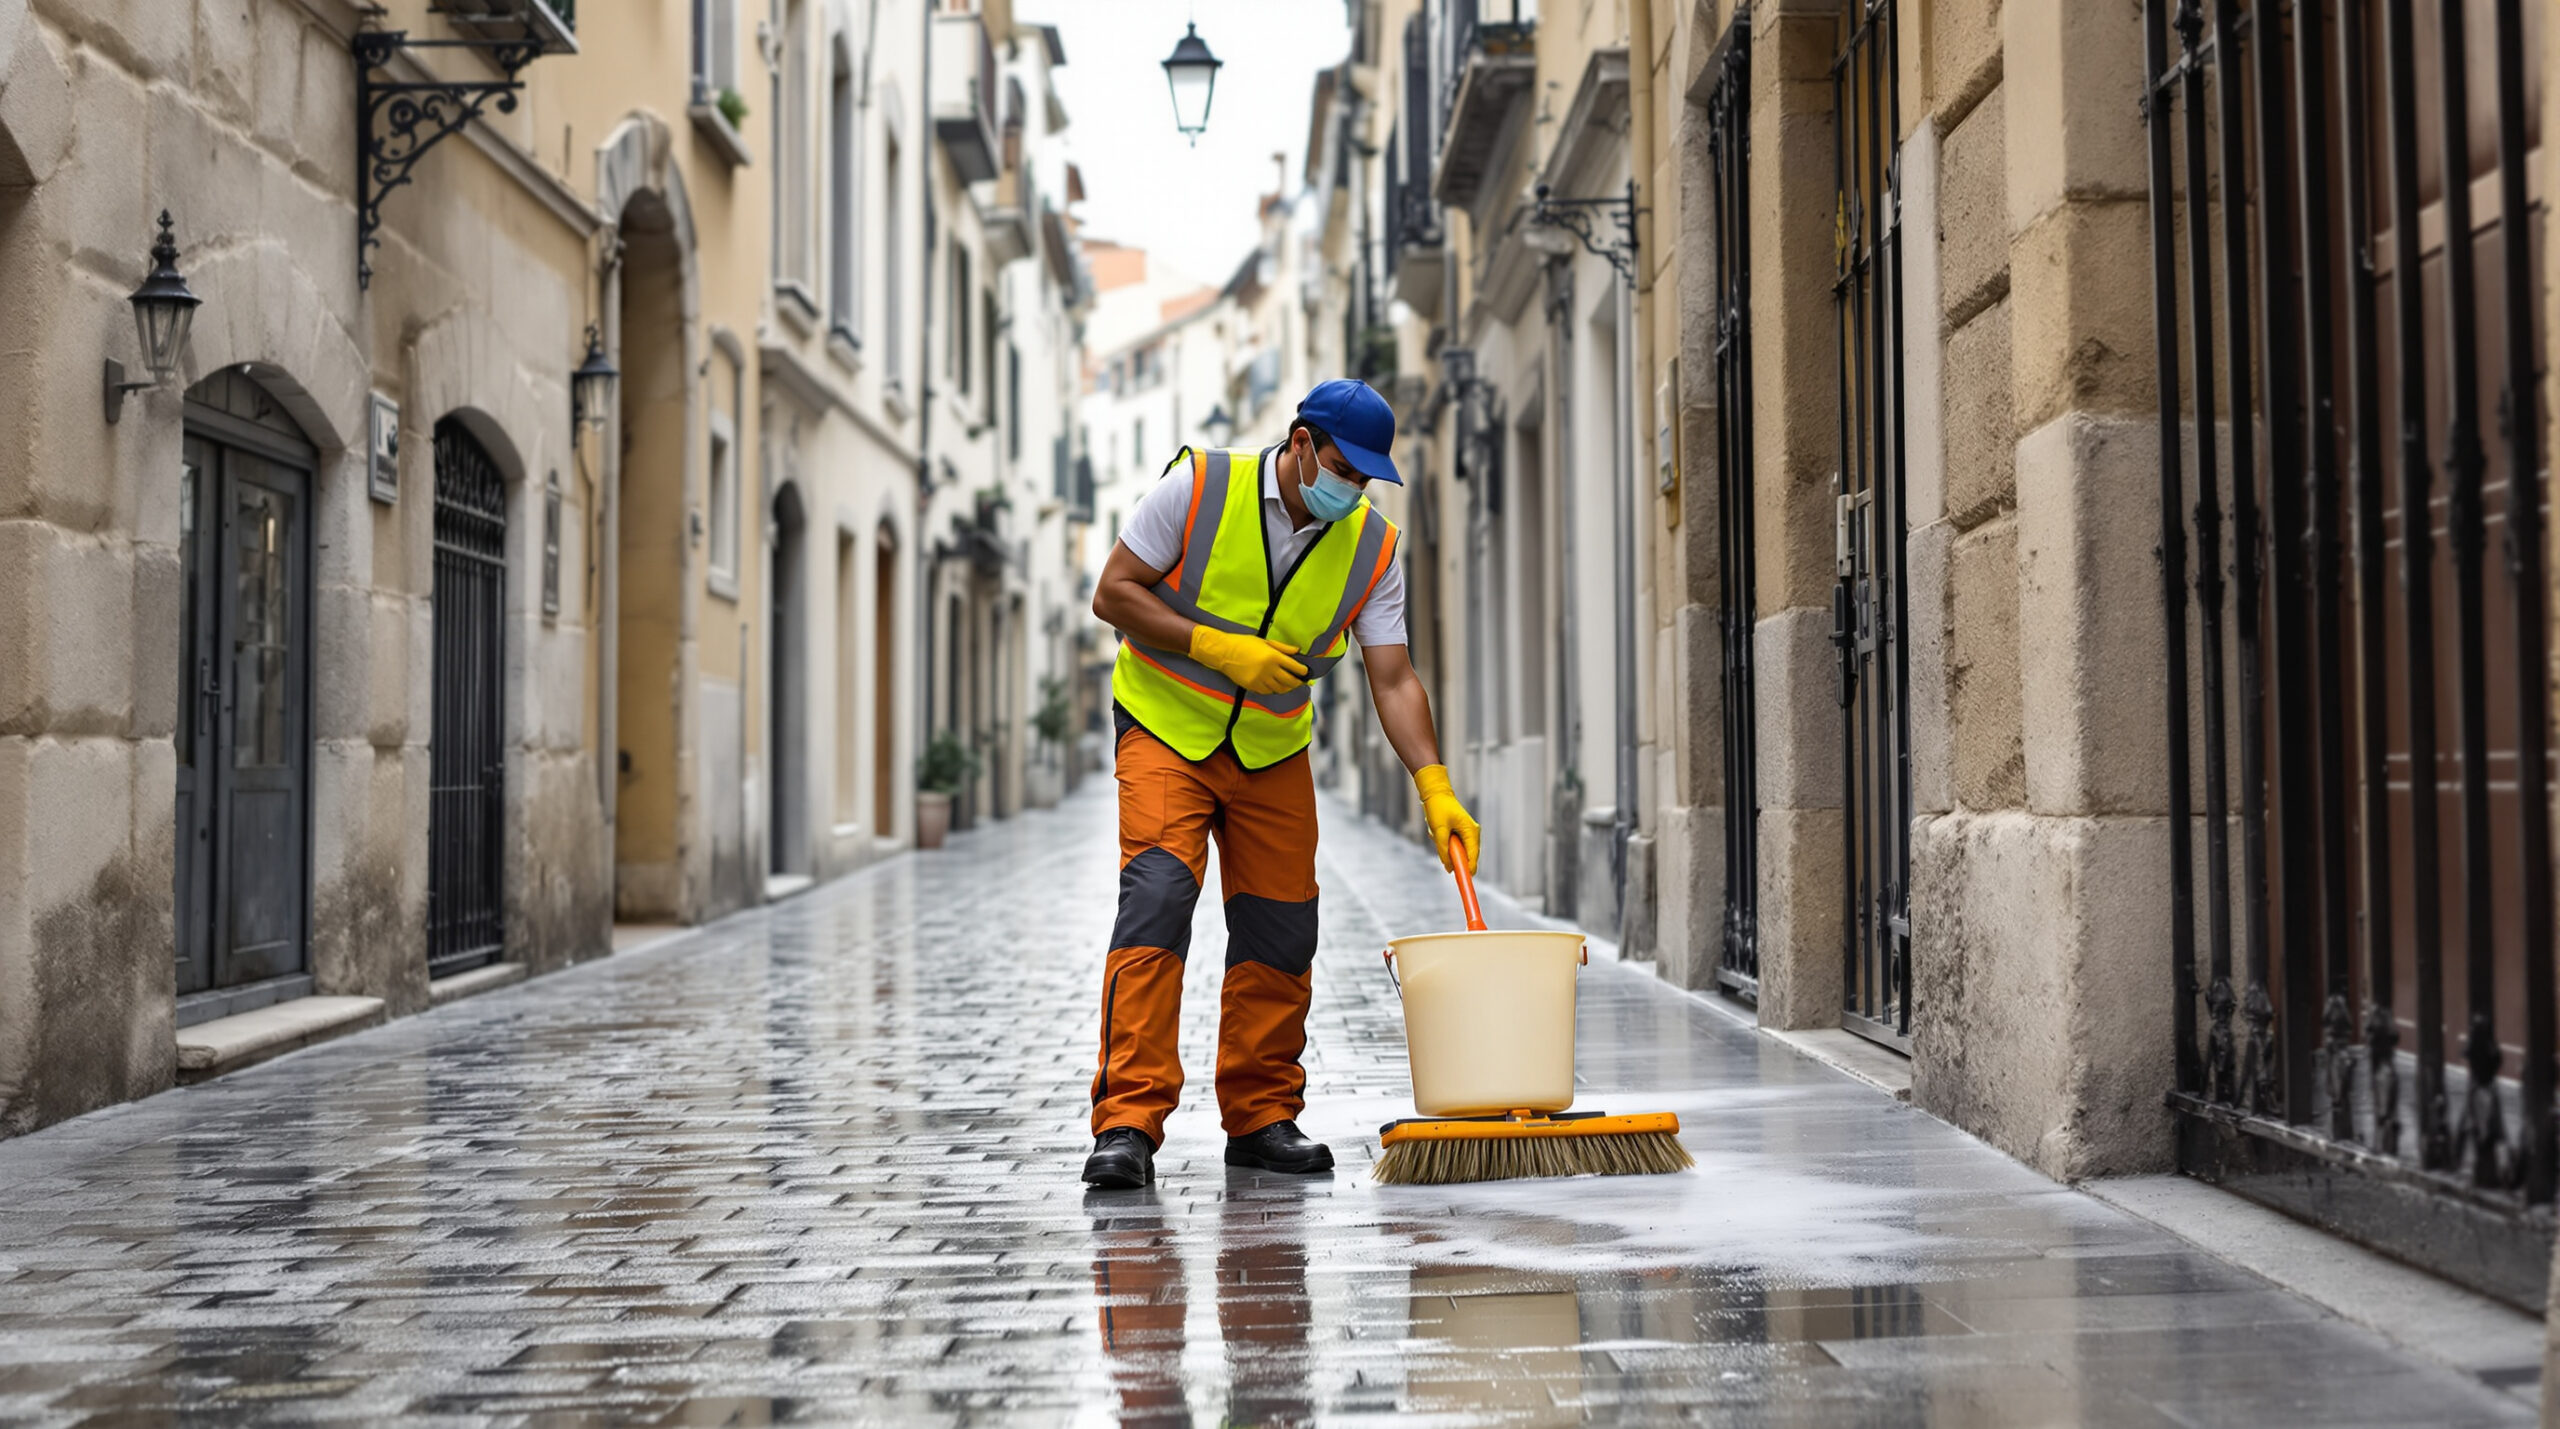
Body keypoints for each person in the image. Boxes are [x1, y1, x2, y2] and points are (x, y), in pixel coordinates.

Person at [1081, 378, 1480, 1189]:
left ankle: (1262, 1114)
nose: (1351, 489)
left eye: (1365, 479)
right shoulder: (1198, 487)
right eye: (1341, 467)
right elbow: (1112, 593)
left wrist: (1434, 783)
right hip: (1165, 723)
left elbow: (1394, 677)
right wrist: (1218, 648)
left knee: (1282, 927)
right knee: (1158, 896)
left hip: (1270, 746)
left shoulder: (1371, 547)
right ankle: (1128, 1120)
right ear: (1301, 442)